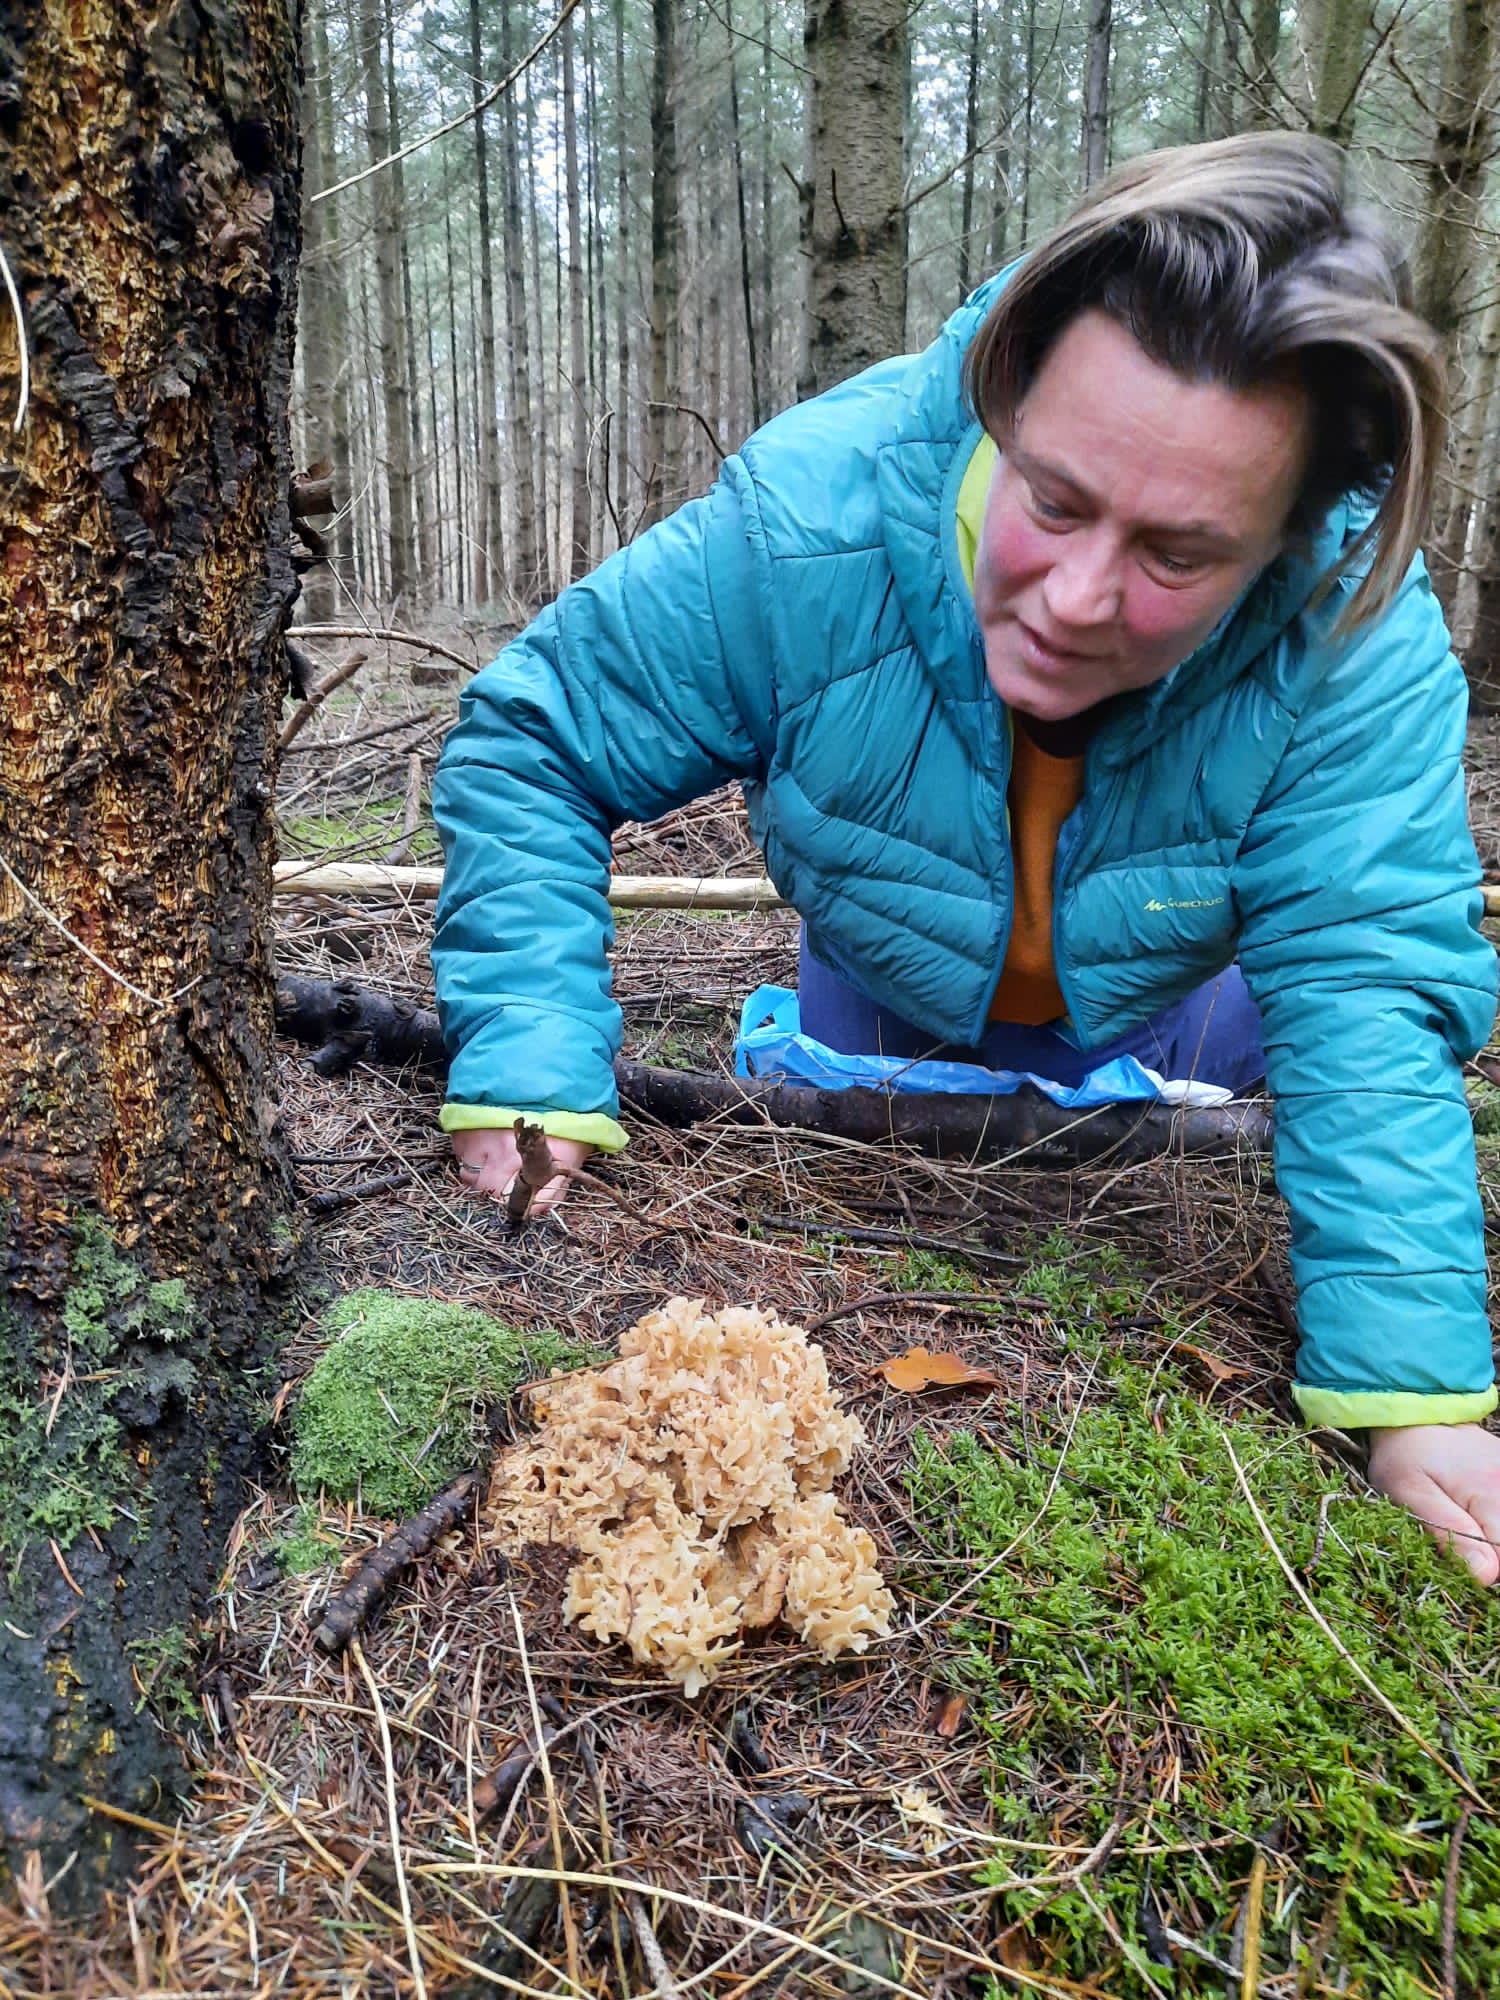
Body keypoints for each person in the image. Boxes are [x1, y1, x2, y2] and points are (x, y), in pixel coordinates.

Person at [432, 132, 1500, 1580]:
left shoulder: (1348, 633)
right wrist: (530, 1045)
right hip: (887, 978)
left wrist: (1415, 1397)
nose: (1073, 598)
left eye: (1177, 556)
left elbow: (1370, 977)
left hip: (1176, 994)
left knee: (1271, 1062)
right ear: (1006, 389)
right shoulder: (816, 523)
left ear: (1291, 539)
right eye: (1052, 500)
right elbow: (538, 737)